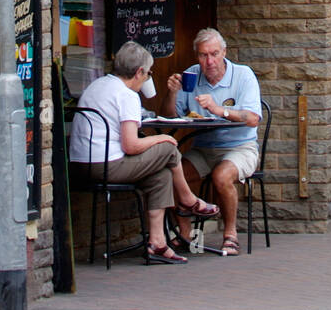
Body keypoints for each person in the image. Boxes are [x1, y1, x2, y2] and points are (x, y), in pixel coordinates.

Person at [69, 41, 219, 263]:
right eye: (148, 73)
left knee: (162, 175)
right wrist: (161, 138)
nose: (147, 78)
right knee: (168, 147)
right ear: (139, 72)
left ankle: (157, 243)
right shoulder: (127, 95)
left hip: (80, 164)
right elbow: (130, 145)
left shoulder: (98, 85)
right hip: (106, 167)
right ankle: (188, 199)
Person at [162, 28, 261, 256]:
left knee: (221, 175)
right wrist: (172, 94)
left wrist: (219, 110)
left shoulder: (243, 75)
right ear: (197, 56)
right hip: (204, 147)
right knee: (175, 173)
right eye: (203, 55)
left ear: (224, 52)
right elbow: (169, 118)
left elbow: (252, 118)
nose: (210, 61)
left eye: (214, 54)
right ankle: (184, 234)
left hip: (240, 146)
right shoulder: (191, 75)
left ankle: (230, 234)